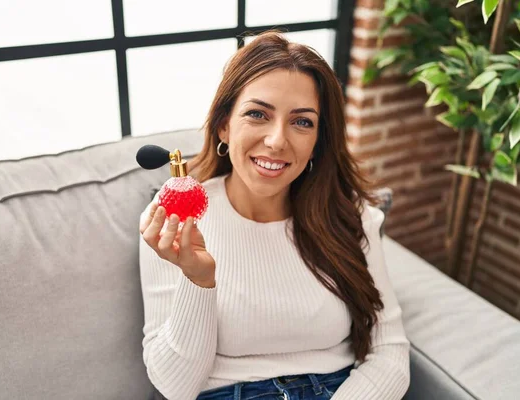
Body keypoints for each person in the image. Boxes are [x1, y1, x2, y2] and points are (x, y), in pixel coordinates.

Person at [138, 30, 410, 400]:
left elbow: (390, 353)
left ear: (318, 139)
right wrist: (197, 280)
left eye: (302, 122)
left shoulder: (351, 216)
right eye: (257, 114)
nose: (277, 141)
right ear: (223, 125)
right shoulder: (175, 220)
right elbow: (175, 386)